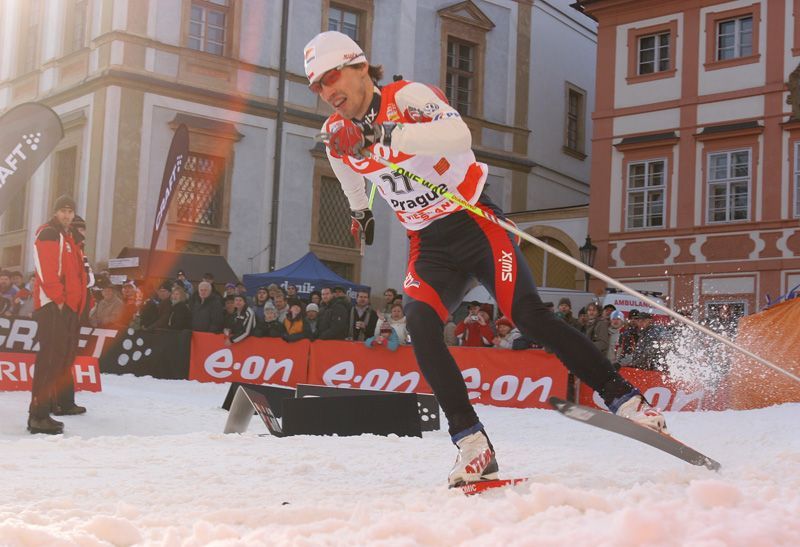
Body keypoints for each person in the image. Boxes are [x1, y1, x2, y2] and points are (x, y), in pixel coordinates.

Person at [305, 30, 666, 486]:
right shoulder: (334, 131)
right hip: (428, 246)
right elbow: (344, 168)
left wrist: (381, 132)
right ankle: (472, 444)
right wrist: (360, 211)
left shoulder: (408, 97)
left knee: (528, 317)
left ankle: (627, 400)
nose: (327, 90)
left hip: (474, 222)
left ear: (359, 67)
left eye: (332, 76)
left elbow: (459, 135)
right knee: (420, 325)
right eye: (316, 85)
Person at [28, 195, 88, 434]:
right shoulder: (49, 233)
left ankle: (49, 407)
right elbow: (46, 270)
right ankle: (37, 416)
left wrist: (75, 306)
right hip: (53, 307)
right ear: (55, 212)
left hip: (66, 308)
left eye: (70, 211)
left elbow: (75, 275)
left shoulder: (67, 237)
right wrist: (59, 300)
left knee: (58, 362)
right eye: (62, 211)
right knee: (49, 362)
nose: (67, 215)